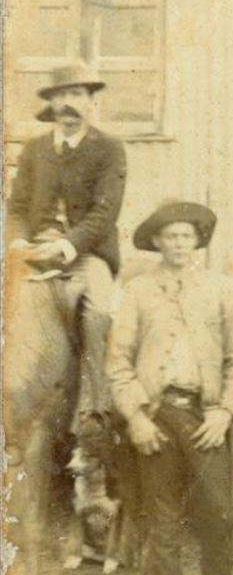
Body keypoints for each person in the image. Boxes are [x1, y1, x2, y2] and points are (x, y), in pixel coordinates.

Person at [106, 200, 233, 575]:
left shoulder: (223, 289)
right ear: (157, 243)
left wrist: (225, 412)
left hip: (206, 419)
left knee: (219, 521)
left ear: (198, 241)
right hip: (157, 419)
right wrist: (136, 417)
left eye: (187, 236)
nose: (180, 244)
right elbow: (118, 364)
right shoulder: (138, 291)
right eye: (171, 237)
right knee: (162, 528)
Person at [8, 61, 127, 427]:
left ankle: (95, 404)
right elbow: (18, 207)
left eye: (76, 94)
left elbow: (103, 213)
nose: (67, 104)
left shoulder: (109, 149)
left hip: (85, 253)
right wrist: (17, 242)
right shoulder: (34, 150)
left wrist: (66, 246)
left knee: (100, 312)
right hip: (35, 252)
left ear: (91, 102)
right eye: (60, 95)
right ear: (52, 106)